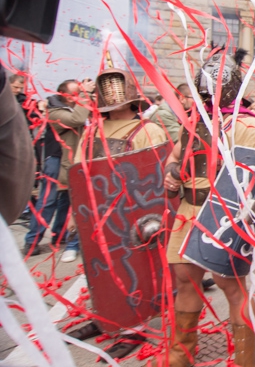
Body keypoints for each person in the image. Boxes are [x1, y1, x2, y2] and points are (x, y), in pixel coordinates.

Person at [163, 48, 255, 367]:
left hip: (224, 216)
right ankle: (181, 358)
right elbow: (176, 157)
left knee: (232, 288)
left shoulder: (248, 126)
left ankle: (245, 360)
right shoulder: (193, 122)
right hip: (188, 211)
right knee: (184, 279)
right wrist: (170, 174)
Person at [67, 67, 169, 358]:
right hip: (97, 216)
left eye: (118, 89)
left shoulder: (150, 131)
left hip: (132, 218)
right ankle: (105, 318)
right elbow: (80, 173)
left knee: (131, 270)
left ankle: (133, 327)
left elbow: (159, 180)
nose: (113, 96)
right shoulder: (91, 131)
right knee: (97, 270)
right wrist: (76, 213)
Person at [22, 79, 89, 257]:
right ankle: (32, 241)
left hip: (70, 160)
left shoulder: (74, 107)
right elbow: (77, 119)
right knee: (47, 202)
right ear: (65, 96)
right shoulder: (55, 111)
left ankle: (60, 236)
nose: (79, 95)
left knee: (67, 202)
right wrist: (85, 96)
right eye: (76, 93)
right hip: (55, 160)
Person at [0, 71, 36, 225]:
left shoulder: (23, 102)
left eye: (20, 88)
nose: (17, 90)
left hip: (21, 145)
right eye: (14, 87)